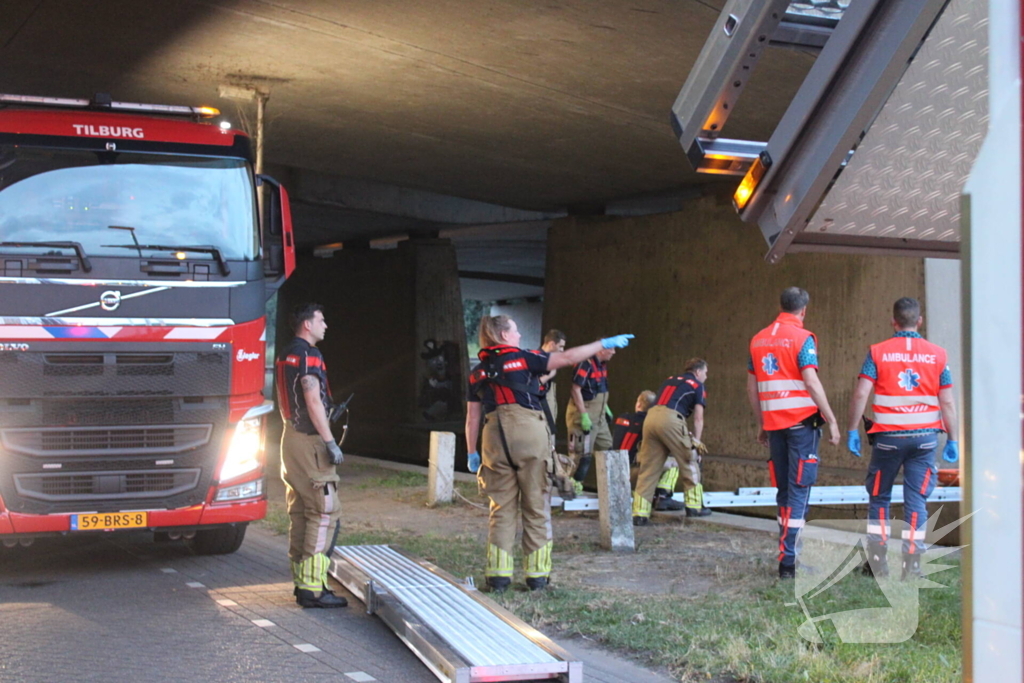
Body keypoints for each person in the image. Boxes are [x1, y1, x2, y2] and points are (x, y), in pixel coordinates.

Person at [465, 315, 633, 592]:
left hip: (493, 438)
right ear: (505, 336)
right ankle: (537, 577)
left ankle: (498, 578)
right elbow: (567, 358)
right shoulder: (525, 358)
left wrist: (472, 453)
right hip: (529, 434)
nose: (519, 336)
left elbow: (472, 418)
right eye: (516, 331)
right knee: (536, 506)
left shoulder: (477, 371)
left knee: (501, 510)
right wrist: (601, 343)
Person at [846, 297, 958, 580]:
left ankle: (877, 563)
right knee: (916, 501)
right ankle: (913, 565)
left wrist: (851, 429)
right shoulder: (937, 355)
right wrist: (953, 438)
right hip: (924, 440)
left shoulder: (878, 353)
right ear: (919, 321)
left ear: (893, 321)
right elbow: (947, 403)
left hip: (888, 439)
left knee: (879, 497)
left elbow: (861, 393)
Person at [747, 287, 840, 579]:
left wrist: (762, 421)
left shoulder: (758, 339)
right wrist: (831, 418)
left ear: (781, 305)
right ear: (803, 310)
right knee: (799, 492)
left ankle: (786, 555)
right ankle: (789, 562)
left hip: (774, 427)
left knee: (784, 492)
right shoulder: (803, 338)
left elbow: (752, 387)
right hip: (801, 426)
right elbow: (811, 382)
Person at [276, 303, 347, 608]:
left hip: (289, 437)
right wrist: (330, 441)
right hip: (309, 441)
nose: (326, 325)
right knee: (324, 510)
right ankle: (313, 589)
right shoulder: (309, 354)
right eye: (321, 320)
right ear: (307, 325)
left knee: (301, 511)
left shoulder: (285, 352)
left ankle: (302, 581)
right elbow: (312, 398)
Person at [631, 359, 713, 524]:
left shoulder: (669, 380)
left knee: (648, 468)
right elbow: (698, 418)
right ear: (698, 372)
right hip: (671, 418)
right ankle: (695, 506)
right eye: (705, 372)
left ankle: (639, 514)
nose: (706, 376)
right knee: (689, 460)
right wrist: (696, 443)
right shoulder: (698, 385)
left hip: (651, 418)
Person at [614, 390, 686, 512]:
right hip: (635, 475)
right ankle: (663, 497)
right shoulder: (652, 426)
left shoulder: (622, 418)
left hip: (614, 475)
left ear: (638, 404)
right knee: (675, 462)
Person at [566, 347, 616, 490]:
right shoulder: (585, 364)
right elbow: (576, 389)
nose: (614, 352)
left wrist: (605, 408)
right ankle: (572, 486)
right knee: (582, 453)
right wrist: (583, 414)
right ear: (601, 351)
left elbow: (600, 389)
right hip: (586, 412)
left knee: (607, 449)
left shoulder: (602, 365)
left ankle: (609, 487)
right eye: (611, 349)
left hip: (599, 415)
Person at [538, 329, 567, 437]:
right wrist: (550, 375)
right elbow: (534, 383)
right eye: (560, 347)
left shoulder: (550, 360)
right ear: (551, 344)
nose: (562, 350)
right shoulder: (537, 359)